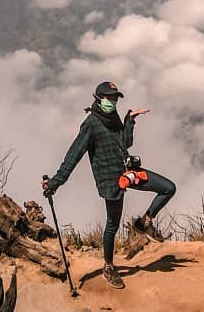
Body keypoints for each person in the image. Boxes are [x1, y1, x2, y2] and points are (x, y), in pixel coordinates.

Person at [42, 81, 176, 289]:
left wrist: (129, 120)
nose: (112, 102)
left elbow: (125, 143)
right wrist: (54, 183)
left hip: (128, 172)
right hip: (109, 181)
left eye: (115, 98)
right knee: (112, 225)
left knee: (168, 188)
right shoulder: (90, 124)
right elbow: (73, 157)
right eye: (109, 98)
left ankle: (145, 222)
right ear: (98, 98)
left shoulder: (113, 117)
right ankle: (108, 267)